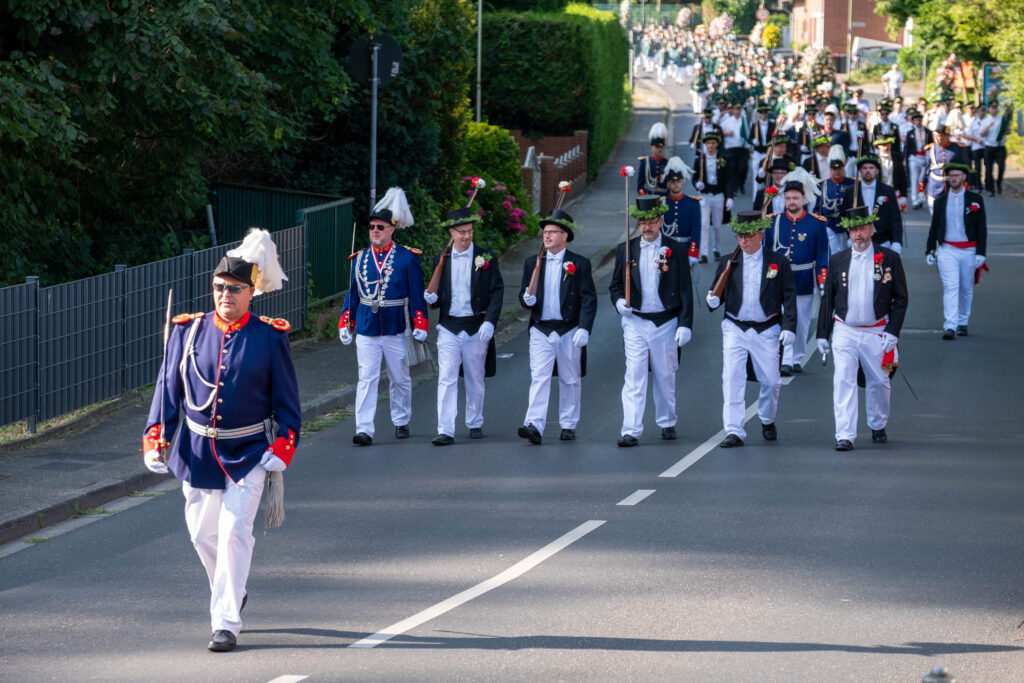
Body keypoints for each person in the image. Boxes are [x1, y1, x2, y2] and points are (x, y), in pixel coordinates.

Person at [143, 229, 301, 652]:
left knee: (234, 533)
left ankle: (226, 622)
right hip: (196, 451)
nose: (224, 295)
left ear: (251, 292)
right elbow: (167, 391)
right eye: (218, 287)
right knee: (202, 535)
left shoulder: (269, 336)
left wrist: (283, 445)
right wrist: (156, 437)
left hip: (248, 452)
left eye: (233, 289)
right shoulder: (188, 331)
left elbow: (287, 401)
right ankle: (232, 589)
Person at [338, 187, 429, 446]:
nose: (375, 231)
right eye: (372, 227)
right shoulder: (359, 259)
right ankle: (364, 429)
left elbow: (416, 294)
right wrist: (346, 322)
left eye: (380, 227)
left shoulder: (407, 258)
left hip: (396, 327)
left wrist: (420, 322)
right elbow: (352, 294)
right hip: (367, 327)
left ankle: (401, 420)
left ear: (392, 229)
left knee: (400, 379)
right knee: (367, 379)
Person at [817, 205, 908, 451]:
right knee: (843, 379)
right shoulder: (838, 260)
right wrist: (822, 333)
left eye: (863, 229)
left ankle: (878, 424)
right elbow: (828, 299)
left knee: (880, 381)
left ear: (871, 230)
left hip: (876, 330)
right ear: (849, 232)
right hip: (845, 329)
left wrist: (893, 331)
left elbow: (901, 298)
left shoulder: (889, 258)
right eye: (854, 230)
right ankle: (845, 434)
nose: (858, 234)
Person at [706, 211, 797, 448]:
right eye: (740, 236)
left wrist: (789, 327)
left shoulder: (778, 262)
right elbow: (716, 291)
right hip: (735, 326)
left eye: (748, 236)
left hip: (767, 327)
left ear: (760, 235)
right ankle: (734, 430)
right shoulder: (729, 261)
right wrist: (712, 299)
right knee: (732, 378)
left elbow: (789, 297)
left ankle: (767, 418)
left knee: (772, 381)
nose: (743, 241)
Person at [610, 196, 694, 446]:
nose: (647, 227)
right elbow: (615, 285)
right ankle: (630, 429)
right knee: (634, 375)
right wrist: (619, 302)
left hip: (665, 321)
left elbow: (685, 289)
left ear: (660, 221)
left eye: (652, 222)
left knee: (664, 374)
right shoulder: (626, 249)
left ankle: (667, 420)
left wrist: (685, 324)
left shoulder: (676, 249)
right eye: (643, 222)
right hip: (635, 321)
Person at [423, 207, 504, 445]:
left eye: (469, 231)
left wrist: (490, 321)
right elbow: (438, 295)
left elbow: (497, 292)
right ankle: (445, 429)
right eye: (461, 232)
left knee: (475, 377)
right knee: (446, 378)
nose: (467, 236)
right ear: (451, 232)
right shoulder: (441, 259)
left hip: (476, 327)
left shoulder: (486, 257)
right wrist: (432, 299)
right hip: (449, 327)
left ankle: (475, 421)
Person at [518, 209, 597, 444]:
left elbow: (588, 298)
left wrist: (584, 328)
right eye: (545, 232)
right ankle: (534, 424)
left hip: (569, 328)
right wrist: (526, 299)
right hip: (541, 328)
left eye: (553, 232)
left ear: (565, 236)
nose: (547, 235)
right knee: (539, 377)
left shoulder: (579, 264)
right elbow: (524, 295)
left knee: (570, 378)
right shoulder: (532, 263)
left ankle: (568, 424)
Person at [764, 170, 829, 376]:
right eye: (788, 198)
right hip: (778, 280)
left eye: (795, 198)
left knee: (801, 322)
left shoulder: (816, 224)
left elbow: (822, 256)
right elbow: (766, 252)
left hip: (803, 281)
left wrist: (823, 282)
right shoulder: (773, 222)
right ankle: (785, 358)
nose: (791, 202)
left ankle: (796, 357)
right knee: (780, 319)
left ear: (803, 199)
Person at [925, 163, 987, 339]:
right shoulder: (940, 200)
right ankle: (950, 325)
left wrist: (981, 253)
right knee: (950, 286)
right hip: (947, 249)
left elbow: (981, 228)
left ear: (964, 177)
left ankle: (962, 322)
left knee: (966, 287)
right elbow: (934, 227)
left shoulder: (975, 199)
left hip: (969, 250)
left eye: (957, 175)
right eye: (951, 176)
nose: (954, 179)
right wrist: (930, 249)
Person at [841, 154, 903, 254]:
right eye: (864, 168)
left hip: (883, 240)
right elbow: (843, 215)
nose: (868, 171)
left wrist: (897, 241)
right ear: (860, 171)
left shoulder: (888, 191)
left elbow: (895, 218)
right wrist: (850, 233)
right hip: (859, 240)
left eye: (871, 168)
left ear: (877, 171)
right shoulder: (851, 191)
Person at [694, 132, 734, 262]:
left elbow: (729, 179)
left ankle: (716, 250)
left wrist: (729, 197)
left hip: (718, 195)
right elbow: (695, 177)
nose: (710, 146)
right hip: (705, 195)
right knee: (704, 225)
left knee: (717, 225)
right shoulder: (699, 160)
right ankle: (703, 253)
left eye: (713, 143)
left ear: (717, 144)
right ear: (705, 145)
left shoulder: (723, 159)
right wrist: (697, 184)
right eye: (708, 143)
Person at [661, 157, 702, 262]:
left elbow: (696, 231)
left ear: (683, 181)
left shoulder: (693, 203)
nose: (676, 184)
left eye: (678, 181)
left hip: (686, 249)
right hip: (666, 249)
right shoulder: (662, 204)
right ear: (668, 184)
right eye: (672, 181)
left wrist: (693, 252)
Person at [922, 125, 970, 215]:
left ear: (947, 136)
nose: (938, 139)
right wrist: (922, 182)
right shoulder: (930, 149)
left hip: (952, 187)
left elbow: (966, 167)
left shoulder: (958, 148)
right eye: (936, 136)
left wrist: (966, 182)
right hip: (934, 187)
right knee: (935, 215)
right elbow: (926, 168)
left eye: (941, 136)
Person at [817, 145, 855, 254]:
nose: (837, 171)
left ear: (843, 167)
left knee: (847, 252)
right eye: (834, 169)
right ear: (830, 169)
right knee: (831, 253)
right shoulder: (823, 185)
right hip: (828, 224)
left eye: (839, 168)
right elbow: (817, 209)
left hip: (847, 225)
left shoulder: (852, 184)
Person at [903, 109, 932, 210]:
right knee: (914, 178)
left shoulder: (928, 132)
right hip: (914, 157)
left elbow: (931, 144)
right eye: (916, 120)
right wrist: (905, 160)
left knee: (922, 178)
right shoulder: (910, 133)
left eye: (919, 120)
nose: (918, 122)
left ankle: (921, 198)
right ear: (913, 121)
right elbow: (906, 147)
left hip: (924, 157)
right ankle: (915, 200)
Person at [748, 102, 777, 195]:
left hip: (768, 153)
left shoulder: (773, 125)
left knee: (769, 175)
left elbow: (776, 137)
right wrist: (753, 141)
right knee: (757, 175)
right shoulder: (755, 125)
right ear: (758, 113)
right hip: (758, 153)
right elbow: (749, 139)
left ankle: (769, 195)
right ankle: (756, 197)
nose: (763, 114)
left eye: (765, 112)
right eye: (761, 112)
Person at [980, 101, 1007, 197]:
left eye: (996, 108)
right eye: (992, 108)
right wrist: (989, 126)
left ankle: (999, 182)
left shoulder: (1002, 118)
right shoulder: (986, 120)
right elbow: (981, 134)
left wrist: (1005, 131)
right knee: (989, 168)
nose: (994, 110)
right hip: (989, 147)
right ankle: (991, 189)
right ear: (989, 109)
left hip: (1000, 147)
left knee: (1001, 166)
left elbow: (1007, 131)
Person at [638, 122, 669, 197]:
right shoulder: (645, 162)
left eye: (661, 147)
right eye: (657, 147)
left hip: (664, 198)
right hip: (649, 197)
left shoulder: (668, 163)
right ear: (652, 147)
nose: (659, 149)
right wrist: (645, 196)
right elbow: (640, 185)